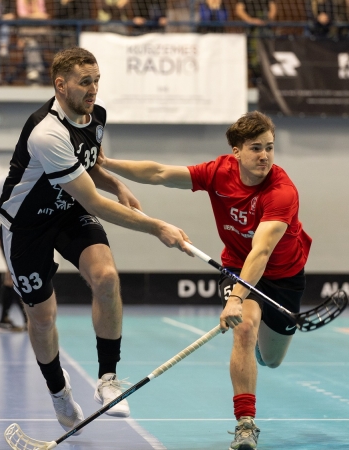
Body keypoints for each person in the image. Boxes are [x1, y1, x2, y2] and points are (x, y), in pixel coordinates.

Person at [0, 47, 190, 433]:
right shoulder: (46, 132)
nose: (94, 89)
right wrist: (156, 226)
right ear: (60, 85)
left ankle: (108, 378)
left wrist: (118, 184)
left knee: (107, 277)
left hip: (67, 211)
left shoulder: (95, 115)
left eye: (97, 80)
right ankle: (58, 391)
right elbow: (94, 202)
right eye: (85, 82)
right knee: (43, 318)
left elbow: (91, 164)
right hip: (26, 226)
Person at [99, 111, 311, 450]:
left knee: (272, 360)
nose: (265, 156)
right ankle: (245, 423)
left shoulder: (281, 191)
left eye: (270, 147)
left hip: (283, 277)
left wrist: (235, 299)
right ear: (236, 151)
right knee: (244, 328)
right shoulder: (219, 172)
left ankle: (259, 342)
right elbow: (159, 173)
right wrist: (107, 164)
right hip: (238, 267)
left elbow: (262, 251)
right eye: (256, 148)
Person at [0, 175, 28, 332]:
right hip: (8, 232)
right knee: (14, 274)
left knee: (12, 275)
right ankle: (26, 320)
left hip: (25, 233)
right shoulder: (6, 180)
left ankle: (4, 319)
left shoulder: (34, 179)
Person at [17, 0, 50, 85]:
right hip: (27, 30)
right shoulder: (21, 1)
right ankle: (36, 72)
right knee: (32, 44)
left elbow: (44, 16)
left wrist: (34, 8)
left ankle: (32, 73)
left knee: (31, 43)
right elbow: (22, 16)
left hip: (38, 33)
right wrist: (36, 15)